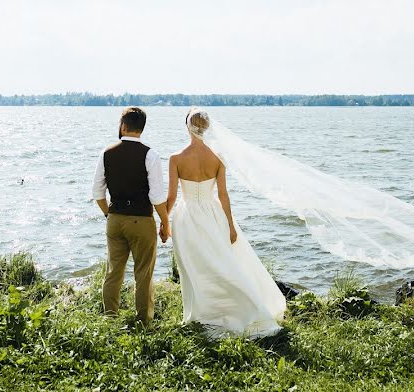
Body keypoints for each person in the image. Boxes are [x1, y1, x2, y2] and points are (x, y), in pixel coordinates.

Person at [167, 109, 286, 338]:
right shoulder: (217, 157)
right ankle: (233, 308)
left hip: (187, 217)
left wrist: (162, 219)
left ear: (187, 127)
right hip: (213, 214)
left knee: (194, 266)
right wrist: (230, 225)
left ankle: (201, 314)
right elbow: (223, 195)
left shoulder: (176, 158)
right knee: (221, 262)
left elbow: (172, 197)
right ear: (207, 128)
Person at [92, 107, 170, 325]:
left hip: (115, 219)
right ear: (141, 129)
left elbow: (97, 193)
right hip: (141, 220)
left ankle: (110, 319)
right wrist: (165, 222)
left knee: (113, 272)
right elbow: (156, 197)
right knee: (143, 274)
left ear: (123, 126)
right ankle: (143, 323)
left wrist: (109, 214)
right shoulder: (150, 155)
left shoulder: (106, 153)